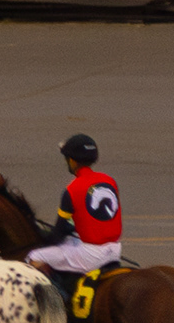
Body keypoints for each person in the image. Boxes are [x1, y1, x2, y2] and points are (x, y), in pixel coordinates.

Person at [21, 132, 124, 313]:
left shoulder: (72, 189)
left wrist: (41, 235)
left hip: (91, 255)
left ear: (72, 161)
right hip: (114, 250)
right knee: (70, 241)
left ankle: (61, 300)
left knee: (34, 257)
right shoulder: (109, 181)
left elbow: (57, 236)